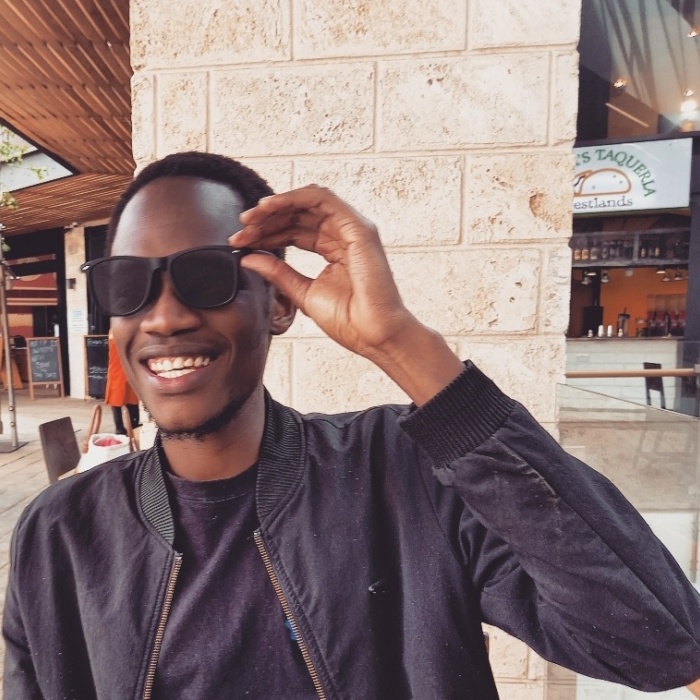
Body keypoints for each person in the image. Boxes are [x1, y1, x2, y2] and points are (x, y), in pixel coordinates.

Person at [4, 152, 700, 700]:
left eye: (207, 276)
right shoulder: (60, 535)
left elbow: (659, 643)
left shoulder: (406, 478)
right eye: (129, 285)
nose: (163, 316)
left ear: (279, 304)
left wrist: (402, 344)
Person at [104, 328, 140, 435]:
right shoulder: (122, 331)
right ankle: (130, 426)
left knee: (120, 401)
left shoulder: (115, 331)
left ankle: (122, 427)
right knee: (127, 401)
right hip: (122, 370)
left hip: (120, 371)